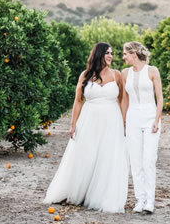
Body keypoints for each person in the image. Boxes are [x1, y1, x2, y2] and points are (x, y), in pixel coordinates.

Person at [43, 42, 128, 213]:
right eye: (107, 53)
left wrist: (124, 121)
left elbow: (123, 100)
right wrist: (73, 124)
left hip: (112, 121)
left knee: (107, 156)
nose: (110, 56)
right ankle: (78, 192)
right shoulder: (85, 75)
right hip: (89, 120)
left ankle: (102, 195)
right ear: (98, 54)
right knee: (86, 155)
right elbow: (78, 101)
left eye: (111, 53)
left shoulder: (117, 75)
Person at [121, 41, 163, 214]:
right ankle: (140, 200)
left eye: (125, 53)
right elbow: (124, 99)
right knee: (136, 161)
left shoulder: (152, 71)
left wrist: (156, 119)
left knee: (148, 160)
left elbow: (160, 98)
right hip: (132, 118)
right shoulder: (125, 73)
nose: (123, 57)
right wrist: (123, 122)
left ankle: (150, 202)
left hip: (150, 116)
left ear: (134, 53)